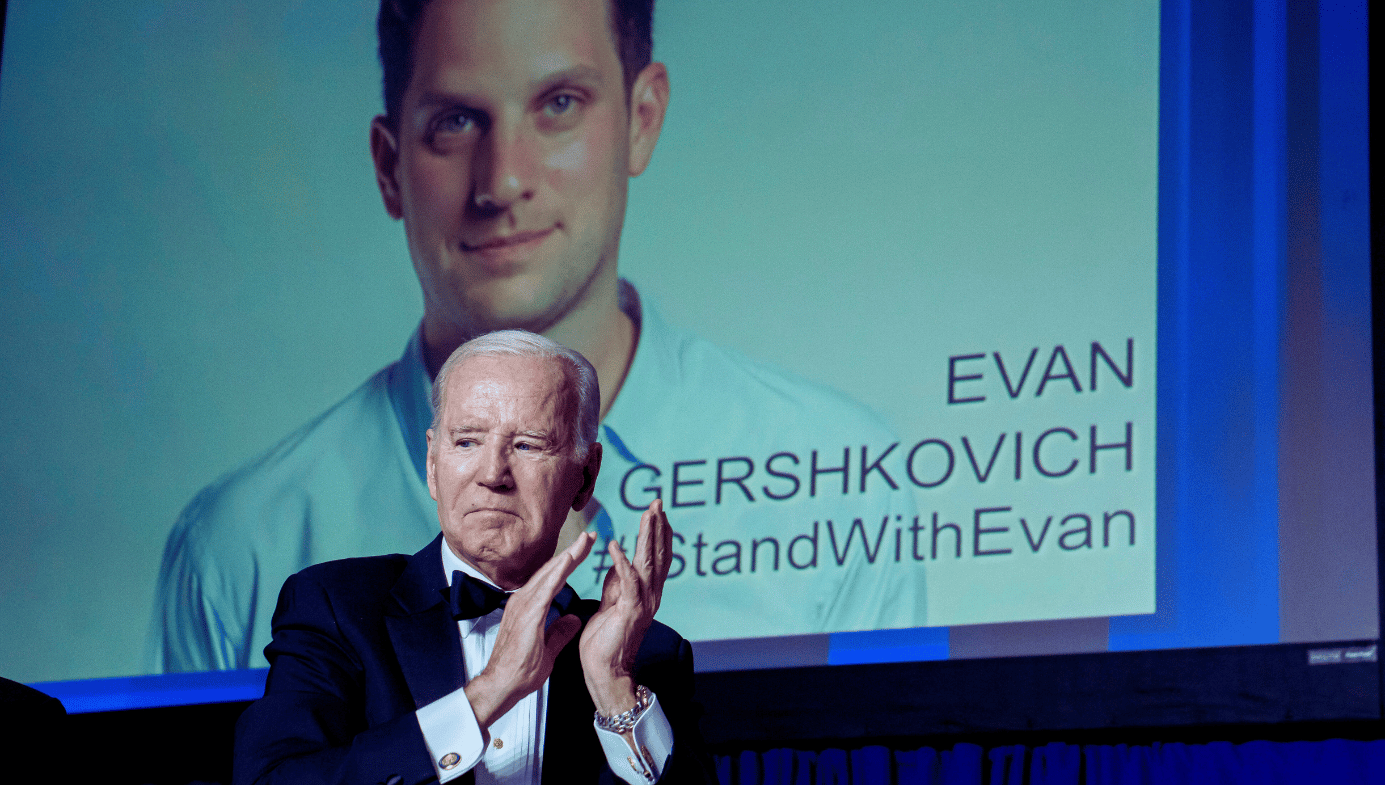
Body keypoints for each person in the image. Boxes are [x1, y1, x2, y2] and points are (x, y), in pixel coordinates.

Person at [150, 0, 921, 673]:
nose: (503, 181)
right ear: (389, 167)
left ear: (641, 119)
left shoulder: (851, 487)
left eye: (557, 103)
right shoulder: (237, 546)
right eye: (455, 121)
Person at [233, 331, 714, 784]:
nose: (492, 474)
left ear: (585, 477)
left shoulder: (646, 655)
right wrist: (488, 692)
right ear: (433, 464)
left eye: (527, 445)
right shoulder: (335, 606)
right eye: (467, 441)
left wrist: (612, 686)